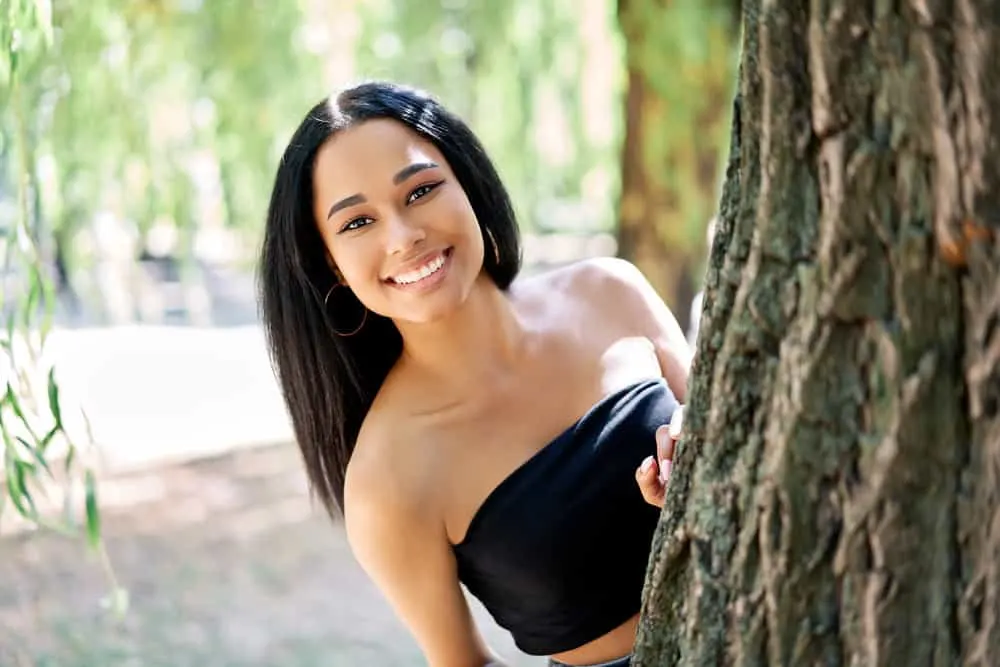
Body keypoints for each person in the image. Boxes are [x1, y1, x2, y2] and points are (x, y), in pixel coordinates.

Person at [258, 81, 691, 667]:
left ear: (469, 185)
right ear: (330, 264)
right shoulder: (387, 478)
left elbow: (747, 447)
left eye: (422, 190)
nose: (403, 236)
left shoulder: (610, 292)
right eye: (357, 224)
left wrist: (695, 453)